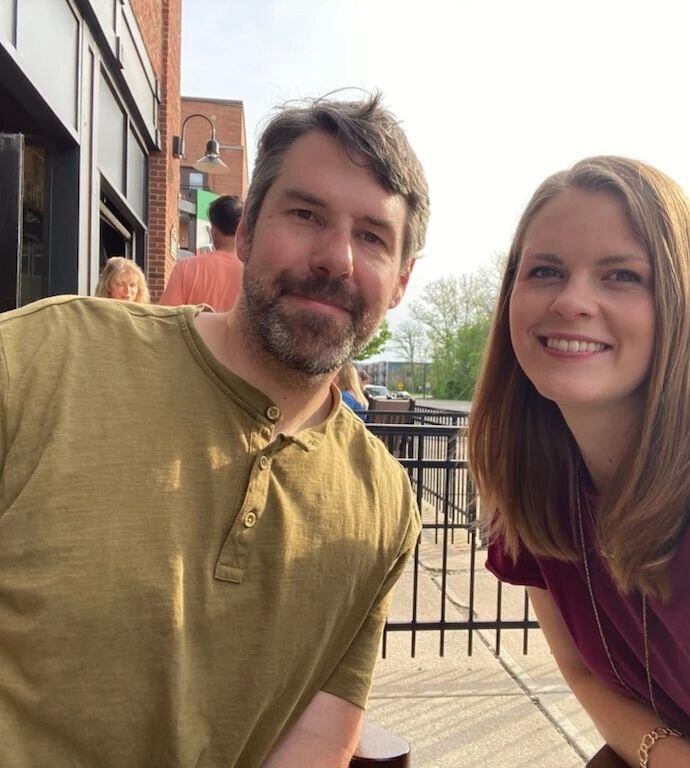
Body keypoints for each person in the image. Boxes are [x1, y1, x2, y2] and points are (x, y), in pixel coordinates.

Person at [0, 92, 430, 768]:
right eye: (306, 214)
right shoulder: (46, 357)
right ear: (249, 230)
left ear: (400, 282)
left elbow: (317, 736)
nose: (337, 257)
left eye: (372, 236)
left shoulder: (384, 506)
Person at [468, 156, 690, 768]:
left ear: (683, 301)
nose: (573, 301)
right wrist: (668, 756)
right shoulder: (530, 487)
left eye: (622, 276)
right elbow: (582, 672)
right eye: (546, 270)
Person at [159, 194, 244, 311]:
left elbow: (165, 319)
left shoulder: (185, 268)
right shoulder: (254, 273)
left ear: (213, 231)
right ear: (242, 230)